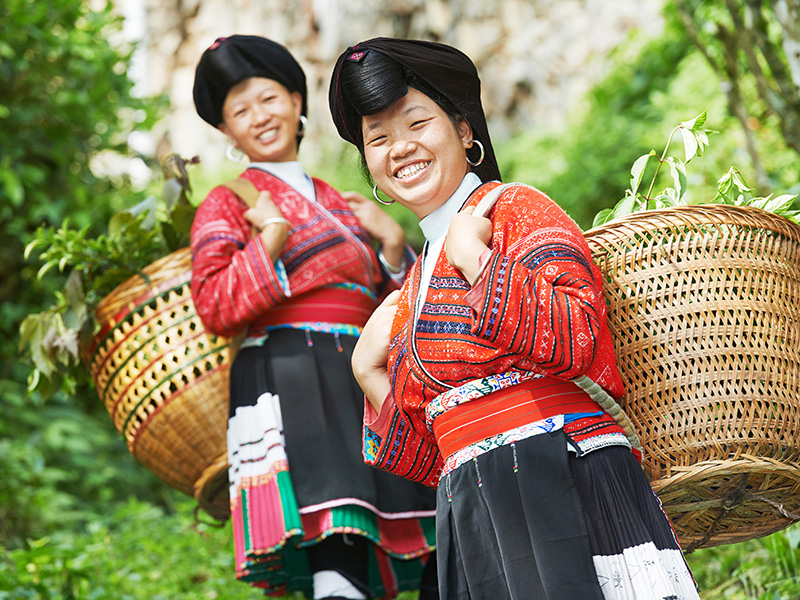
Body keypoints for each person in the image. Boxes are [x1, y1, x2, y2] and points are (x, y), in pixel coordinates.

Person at [328, 37, 701, 600]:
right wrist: (369, 371)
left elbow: (579, 336)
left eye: (416, 123)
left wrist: (478, 261)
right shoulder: (413, 289)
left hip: (563, 477)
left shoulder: (514, 209)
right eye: (377, 138)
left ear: (463, 130)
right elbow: (438, 457)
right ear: (372, 172)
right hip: (479, 509)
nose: (399, 147)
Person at [189, 35, 438, 600]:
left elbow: (401, 316)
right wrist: (270, 240)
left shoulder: (347, 203)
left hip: (364, 371)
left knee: (424, 520)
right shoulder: (228, 202)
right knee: (336, 531)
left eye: (269, 98)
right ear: (227, 132)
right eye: (240, 110)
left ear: (298, 101)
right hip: (288, 374)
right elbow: (214, 306)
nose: (260, 116)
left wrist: (394, 251)